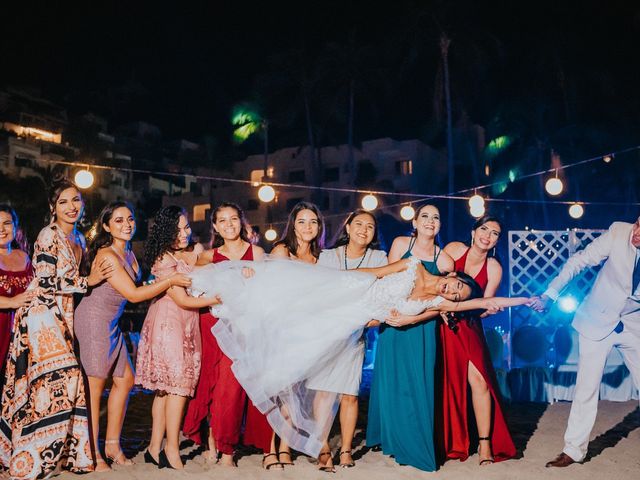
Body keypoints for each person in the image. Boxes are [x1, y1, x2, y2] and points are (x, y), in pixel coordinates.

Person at [189, 251, 534, 461]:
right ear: (452, 275)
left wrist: (522, 301)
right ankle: (210, 289)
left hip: (358, 316)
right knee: (287, 299)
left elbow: (482, 303)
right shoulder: (413, 266)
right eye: (456, 285)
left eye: (457, 296)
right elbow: (375, 274)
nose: (453, 292)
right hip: (350, 288)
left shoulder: (435, 305)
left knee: (302, 339)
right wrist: (340, 281)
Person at [0, 178, 113, 479]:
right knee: (63, 381)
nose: (71, 206)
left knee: (53, 387)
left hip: (63, 316)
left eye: (76, 200)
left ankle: (61, 457)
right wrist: (88, 281)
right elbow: (48, 283)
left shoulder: (79, 238)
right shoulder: (48, 235)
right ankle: (32, 459)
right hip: (40, 315)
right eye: (63, 202)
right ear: (53, 207)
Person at [74, 202, 192, 471]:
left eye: (129, 219)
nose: (126, 224)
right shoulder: (107, 255)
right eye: (118, 221)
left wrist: (153, 283)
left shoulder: (128, 252)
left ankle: (113, 445)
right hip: (94, 321)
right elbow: (133, 295)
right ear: (106, 226)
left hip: (113, 322)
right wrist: (170, 281)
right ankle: (92, 452)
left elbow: (137, 287)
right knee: (95, 387)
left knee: (125, 380)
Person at [536, 216, 640, 468]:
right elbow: (579, 260)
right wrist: (550, 293)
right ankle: (573, 450)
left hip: (633, 323)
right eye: (639, 225)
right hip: (597, 318)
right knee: (586, 387)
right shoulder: (618, 232)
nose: (637, 234)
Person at [182, 202, 273, 469]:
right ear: (215, 226)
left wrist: (252, 277)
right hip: (212, 326)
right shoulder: (209, 256)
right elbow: (192, 281)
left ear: (241, 221)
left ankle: (228, 450)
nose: (229, 224)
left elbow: (267, 291)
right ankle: (212, 441)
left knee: (231, 390)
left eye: (233, 219)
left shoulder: (255, 252)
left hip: (242, 329)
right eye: (222, 220)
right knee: (210, 386)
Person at [366, 204, 454, 471]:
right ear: (415, 222)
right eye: (425, 216)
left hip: (422, 327)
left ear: (440, 225)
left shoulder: (445, 260)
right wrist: (387, 314)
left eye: (435, 217)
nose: (430, 221)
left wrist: (413, 317)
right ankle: (390, 440)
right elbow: (386, 283)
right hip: (393, 321)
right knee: (391, 381)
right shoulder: (400, 244)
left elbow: (444, 302)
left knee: (418, 384)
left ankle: (414, 443)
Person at [135, 206, 220, 470]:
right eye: (178, 229)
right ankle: (171, 448)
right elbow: (182, 299)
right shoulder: (163, 259)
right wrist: (217, 299)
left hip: (187, 322)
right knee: (176, 388)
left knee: (166, 391)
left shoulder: (192, 251)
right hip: (169, 322)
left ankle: (153, 447)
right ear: (165, 230)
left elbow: (214, 258)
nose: (184, 233)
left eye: (186, 227)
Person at [438, 215, 516, 465]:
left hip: (469, 327)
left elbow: (483, 306)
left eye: (494, 233)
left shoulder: (494, 266)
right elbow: (436, 283)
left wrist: (489, 310)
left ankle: (484, 443)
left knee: (479, 382)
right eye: (484, 229)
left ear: (496, 241)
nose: (488, 235)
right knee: (445, 382)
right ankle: (449, 440)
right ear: (473, 231)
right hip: (440, 323)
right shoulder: (452, 249)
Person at [315, 209, 387, 469]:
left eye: (370, 226)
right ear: (347, 227)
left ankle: (345, 450)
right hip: (327, 334)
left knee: (350, 393)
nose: (363, 230)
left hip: (356, 334)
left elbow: (381, 297)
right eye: (358, 224)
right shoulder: (327, 257)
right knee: (324, 392)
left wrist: (366, 320)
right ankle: (323, 447)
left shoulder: (379, 257)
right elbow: (319, 294)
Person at [269, 201, 325, 468]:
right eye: (302, 221)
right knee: (279, 391)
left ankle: (285, 447)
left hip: (307, 332)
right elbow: (273, 291)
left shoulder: (319, 259)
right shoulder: (282, 251)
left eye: (313, 222)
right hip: (282, 328)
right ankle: (272, 449)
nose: (308, 227)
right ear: (292, 224)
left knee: (298, 393)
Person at [0, 205, 34, 381]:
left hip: (23, 334)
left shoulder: (25, 256)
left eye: (6, 223)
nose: (1, 229)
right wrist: (12, 302)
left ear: (15, 225)